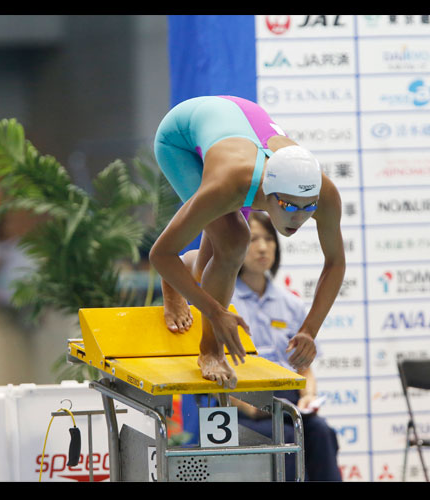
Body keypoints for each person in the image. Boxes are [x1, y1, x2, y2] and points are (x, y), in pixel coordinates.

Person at [149, 95, 345, 389]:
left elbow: (336, 262)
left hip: (243, 124)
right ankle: (210, 352)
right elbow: (161, 254)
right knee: (233, 240)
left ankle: (184, 276)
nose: (299, 218)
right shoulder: (228, 184)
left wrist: (308, 330)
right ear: (268, 193)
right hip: (182, 139)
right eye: (290, 207)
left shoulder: (325, 194)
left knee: (212, 264)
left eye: (309, 208)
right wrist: (217, 313)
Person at [229, 211, 341, 481]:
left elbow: (304, 368)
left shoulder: (290, 304)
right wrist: (248, 408)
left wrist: (308, 396)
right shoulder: (224, 304)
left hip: (290, 403)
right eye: (254, 239)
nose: (263, 247)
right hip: (245, 404)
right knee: (288, 440)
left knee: (322, 433)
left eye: (269, 239)